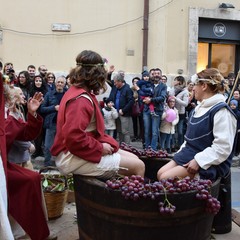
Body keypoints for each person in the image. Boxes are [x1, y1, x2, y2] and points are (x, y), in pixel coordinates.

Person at [51, 50, 145, 178]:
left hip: (76, 152)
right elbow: (73, 137)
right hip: (71, 157)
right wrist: (99, 147)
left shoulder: (79, 92)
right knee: (138, 166)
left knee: (135, 158)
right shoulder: (80, 100)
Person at [1, 73, 57, 240]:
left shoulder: (11, 115)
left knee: (33, 178)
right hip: (5, 165)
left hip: (7, 164)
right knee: (28, 180)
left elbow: (26, 133)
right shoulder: (8, 116)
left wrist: (32, 114)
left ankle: (36, 231)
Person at [157, 68, 237, 181]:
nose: (193, 88)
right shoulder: (198, 109)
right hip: (190, 153)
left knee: (165, 178)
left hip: (210, 162)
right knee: (160, 173)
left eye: (195, 85)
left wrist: (198, 161)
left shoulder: (221, 112)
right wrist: (180, 154)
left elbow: (223, 148)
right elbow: (189, 140)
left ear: (204, 86)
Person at [137, 68, 167, 150]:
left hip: (157, 111)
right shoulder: (148, 84)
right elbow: (141, 93)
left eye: (158, 73)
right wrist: (143, 99)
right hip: (146, 110)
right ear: (151, 75)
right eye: (154, 74)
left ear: (161, 75)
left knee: (154, 132)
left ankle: (153, 149)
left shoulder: (163, 86)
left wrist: (151, 100)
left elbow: (162, 97)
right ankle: (147, 148)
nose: (156, 75)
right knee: (147, 131)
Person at [40, 76, 67, 167]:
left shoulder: (67, 95)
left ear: (64, 84)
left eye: (61, 82)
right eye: (58, 82)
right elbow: (42, 109)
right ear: (55, 83)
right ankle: (47, 164)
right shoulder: (49, 94)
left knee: (63, 146)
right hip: (51, 124)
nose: (59, 84)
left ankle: (61, 164)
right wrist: (54, 108)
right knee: (48, 146)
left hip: (64, 125)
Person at [108, 72, 134, 144]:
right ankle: (121, 146)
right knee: (119, 130)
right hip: (116, 113)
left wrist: (123, 110)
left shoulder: (127, 89)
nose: (115, 84)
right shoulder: (116, 88)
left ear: (120, 81)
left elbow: (131, 101)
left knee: (125, 131)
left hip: (124, 114)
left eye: (116, 82)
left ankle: (127, 147)